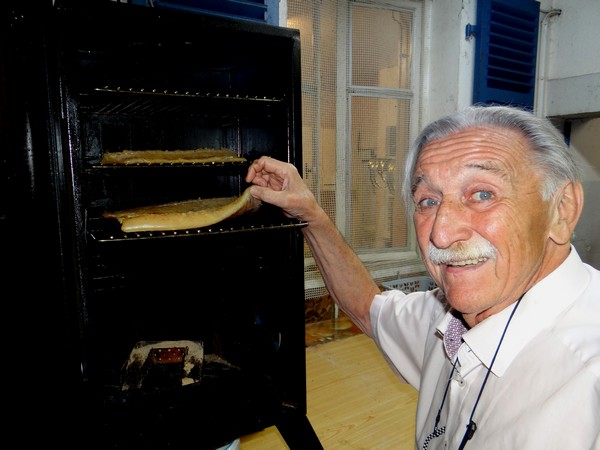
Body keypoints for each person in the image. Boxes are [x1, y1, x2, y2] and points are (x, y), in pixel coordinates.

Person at [245, 105, 600, 450]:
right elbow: (368, 309)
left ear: (562, 210)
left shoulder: (588, 381)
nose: (441, 234)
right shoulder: (447, 321)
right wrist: (310, 213)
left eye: (482, 194)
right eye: (428, 201)